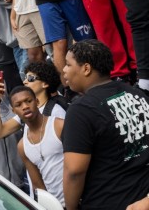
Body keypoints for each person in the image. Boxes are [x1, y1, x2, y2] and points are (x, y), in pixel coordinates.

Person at [62, 39, 149, 210]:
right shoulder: (136, 93)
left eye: (68, 64)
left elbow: (74, 171)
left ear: (86, 69)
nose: (64, 70)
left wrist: (70, 208)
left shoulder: (81, 109)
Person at [9, 86, 65, 206]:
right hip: (56, 206)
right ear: (13, 111)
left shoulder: (59, 126)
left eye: (29, 101)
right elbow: (38, 186)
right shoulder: (22, 146)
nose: (25, 107)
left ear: (37, 101)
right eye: (18, 105)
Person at [0, 61, 66, 139]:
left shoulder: (56, 111)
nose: (24, 82)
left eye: (30, 78)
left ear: (45, 84)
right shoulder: (27, 111)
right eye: (25, 78)